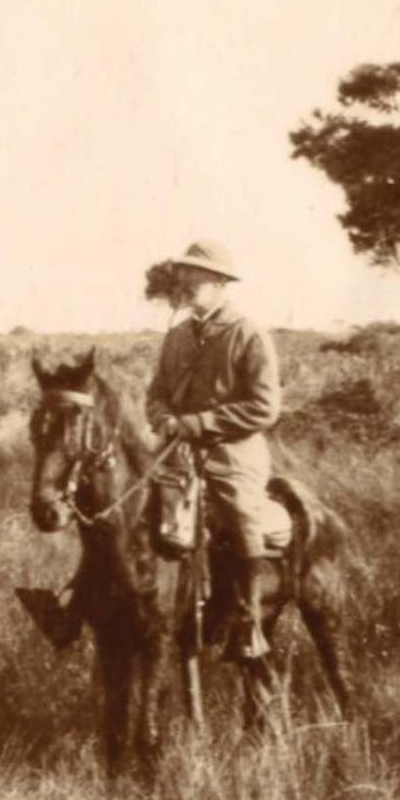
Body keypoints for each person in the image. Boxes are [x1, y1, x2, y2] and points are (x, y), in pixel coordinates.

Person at [145, 239, 287, 662]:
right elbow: (155, 394)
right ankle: (82, 600)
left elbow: (265, 407)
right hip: (176, 455)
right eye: (182, 276)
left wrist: (199, 423)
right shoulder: (176, 337)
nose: (185, 284)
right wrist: (164, 418)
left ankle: (248, 619)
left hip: (232, 456)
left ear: (221, 283)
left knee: (242, 514)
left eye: (196, 277)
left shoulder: (248, 335)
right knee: (125, 511)